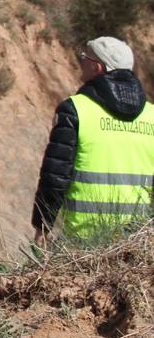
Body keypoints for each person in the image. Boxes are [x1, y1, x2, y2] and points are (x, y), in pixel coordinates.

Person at [32, 36, 154, 245]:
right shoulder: (151, 116)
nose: (80, 63)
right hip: (138, 240)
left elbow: (56, 174)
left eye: (83, 58)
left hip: (83, 239)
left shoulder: (75, 110)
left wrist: (43, 224)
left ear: (97, 67)